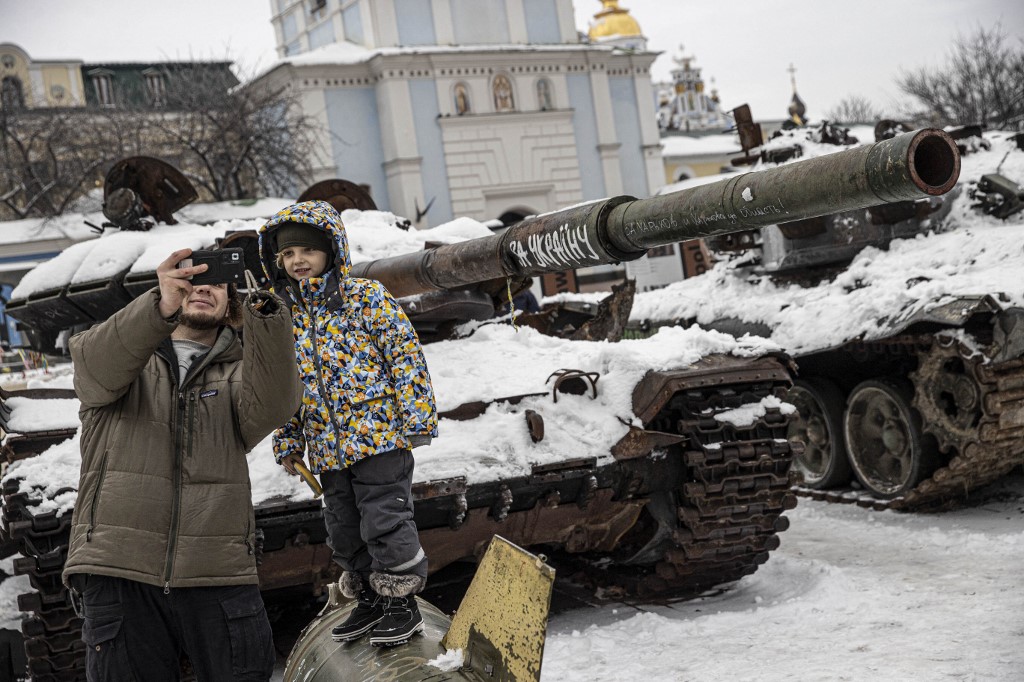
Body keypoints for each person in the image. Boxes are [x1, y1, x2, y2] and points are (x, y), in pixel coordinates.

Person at [62, 248, 302, 681]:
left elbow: (275, 406)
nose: (204, 287)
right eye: (192, 279)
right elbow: (91, 369)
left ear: (232, 302)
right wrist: (158, 304)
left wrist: (265, 312)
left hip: (217, 571)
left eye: (218, 282)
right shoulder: (125, 363)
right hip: (120, 568)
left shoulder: (239, 374)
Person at [258, 200, 438, 648]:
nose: (297, 261)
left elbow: (404, 356)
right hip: (325, 445)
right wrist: (288, 439)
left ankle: (401, 602)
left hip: (378, 436)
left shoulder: (366, 297)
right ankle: (369, 598)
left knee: (386, 519)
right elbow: (286, 387)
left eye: (306, 251)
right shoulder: (287, 317)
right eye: (287, 255)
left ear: (331, 250)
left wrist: (416, 418)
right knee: (343, 524)